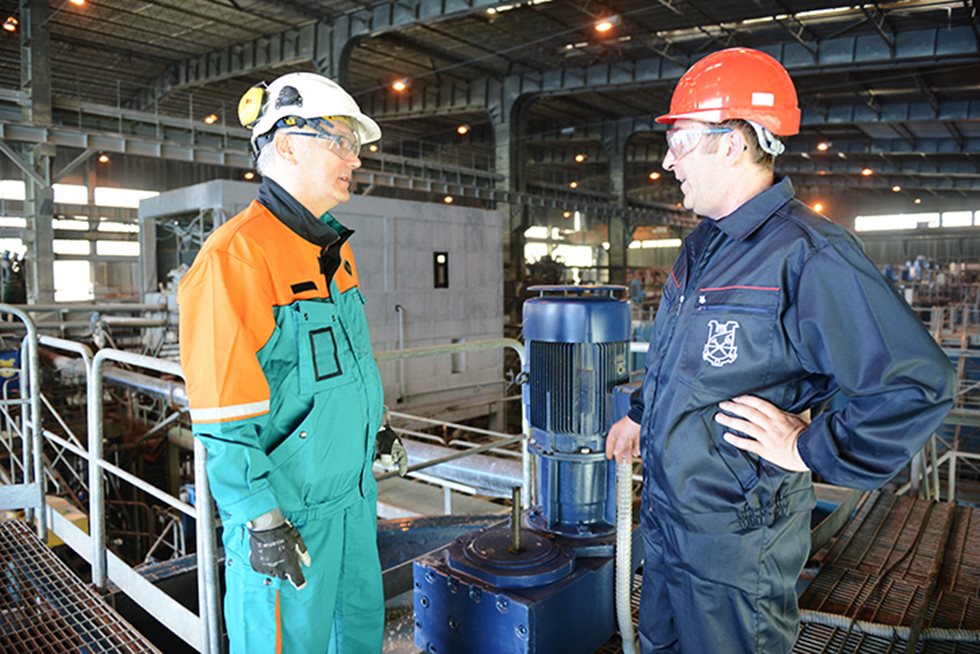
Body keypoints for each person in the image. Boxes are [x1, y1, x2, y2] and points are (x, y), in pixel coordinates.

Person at [605, 48, 954, 653]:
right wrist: (642, 413)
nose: (667, 160)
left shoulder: (809, 255)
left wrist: (807, 447)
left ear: (732, 143)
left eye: (681, 140)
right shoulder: (702, 247)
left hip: (737, 543)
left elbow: (915, 386)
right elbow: (684, 359)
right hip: (667, 520)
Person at [178, 72, 405, 653]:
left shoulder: (332, 247)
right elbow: (222, 415)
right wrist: (260, 517)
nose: (354, 158)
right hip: (290, 518)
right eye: (341, 141)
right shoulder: (235, 258)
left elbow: (349, 360)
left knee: (356, 637)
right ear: (285, 143)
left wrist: (375, 427)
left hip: (352, 502)